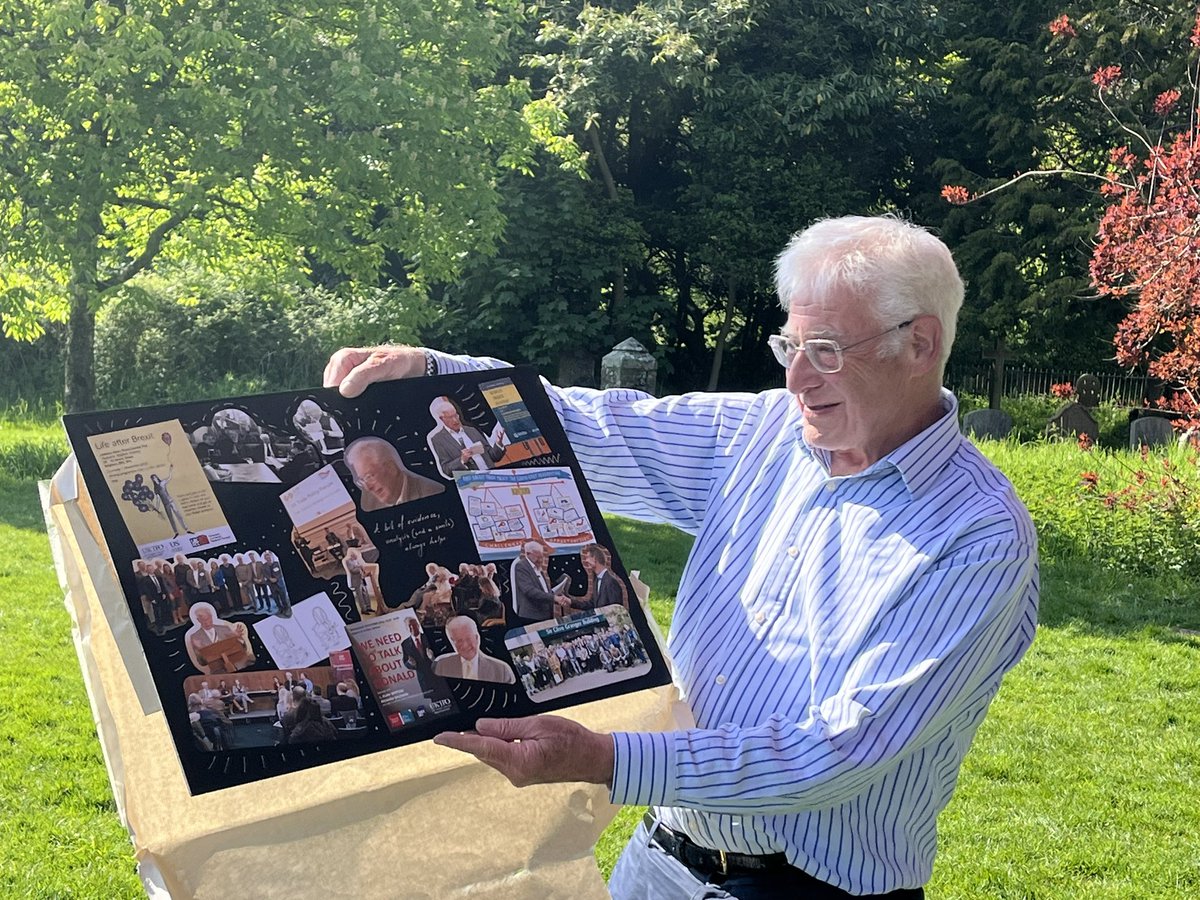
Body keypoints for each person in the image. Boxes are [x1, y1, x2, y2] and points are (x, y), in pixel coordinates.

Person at [324, 215, 1040, 899]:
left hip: (814, 888)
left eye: (825, 351)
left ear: (919, 344)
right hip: (663, 856)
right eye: (789, 348)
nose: (796, 381)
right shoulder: (762, 431)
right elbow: (582, 426)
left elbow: (844, 749)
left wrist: (605, 759)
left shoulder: (978, 533)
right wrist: (430, 371)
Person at [344, 437, 443, 511]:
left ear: (391, 468)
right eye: (362, 480)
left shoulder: (432, 492)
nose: (368, 488)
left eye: (369, 476)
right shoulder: (370, 506)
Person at [426, 395, 506, 479]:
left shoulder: (472, 430)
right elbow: (447, 469)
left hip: (492, 477)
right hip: (472, 485)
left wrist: (498, 444)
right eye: (450, 417)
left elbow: (493, 457)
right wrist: (462, 460)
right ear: (442, 419)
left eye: (456, 415)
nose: (455, 420)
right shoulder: (438, 439)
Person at [432, 616, 516, 685]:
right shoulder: (442, 666)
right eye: (459, 641)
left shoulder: (501, 670)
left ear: (477, 638)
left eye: (468, 639)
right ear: (452, 642)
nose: (465, 645)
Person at [184, 602, 253, 674]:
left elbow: (244, 649)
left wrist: (239, 638)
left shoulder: (224, 628)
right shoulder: (195, 637)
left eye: (208, 619)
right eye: (203, 620)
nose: (207, 623)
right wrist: (200, 650)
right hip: (218, 672)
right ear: (198, 620)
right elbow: (202, 663)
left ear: (212, 616)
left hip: (240, 666)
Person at [509, 541, 568, 622]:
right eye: (538, 556)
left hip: (545, 614)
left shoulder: (538, 568)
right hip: (531, 616)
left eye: (542, 556)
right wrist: (554, 598)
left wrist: (554, 595)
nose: (541, 559)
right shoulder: (521, 566)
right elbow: (529, 591)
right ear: (528, 553)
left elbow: (543, 590)